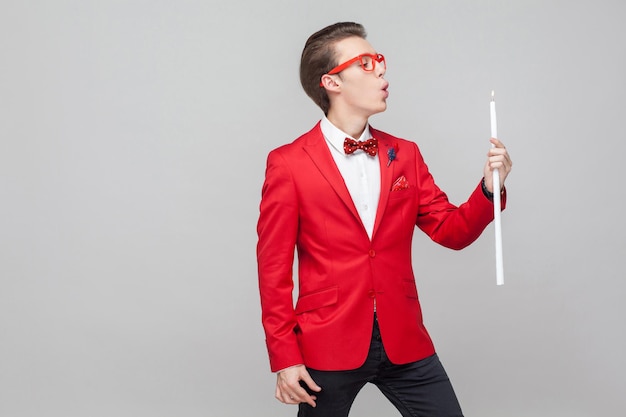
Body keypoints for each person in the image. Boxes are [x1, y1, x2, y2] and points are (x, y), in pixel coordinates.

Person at [256, 22, 512, 417]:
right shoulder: (288, 163)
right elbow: (272, 270)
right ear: (331, 82)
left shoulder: (405, 154)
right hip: (328, 340)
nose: (381, 70)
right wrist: (285, 357)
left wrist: (489, 190)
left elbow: (451, 231)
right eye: (366, 62)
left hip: (404, 337)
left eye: (380, 60)